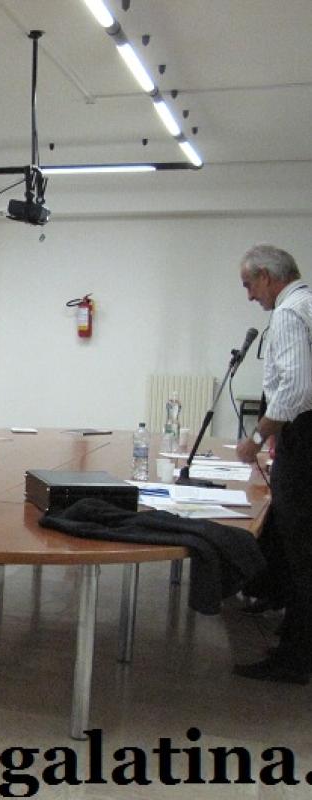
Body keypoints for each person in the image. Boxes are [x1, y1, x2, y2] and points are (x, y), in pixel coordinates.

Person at [233, 244, 312, 685]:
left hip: (305, 441)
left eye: (249, 284)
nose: (249, 296)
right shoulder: (309, 303)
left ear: (266, 275)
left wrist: (260, 435)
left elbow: (297, 389)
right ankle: (296, 637)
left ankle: (296, 658)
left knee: (302, 551)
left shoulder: (287, 313)